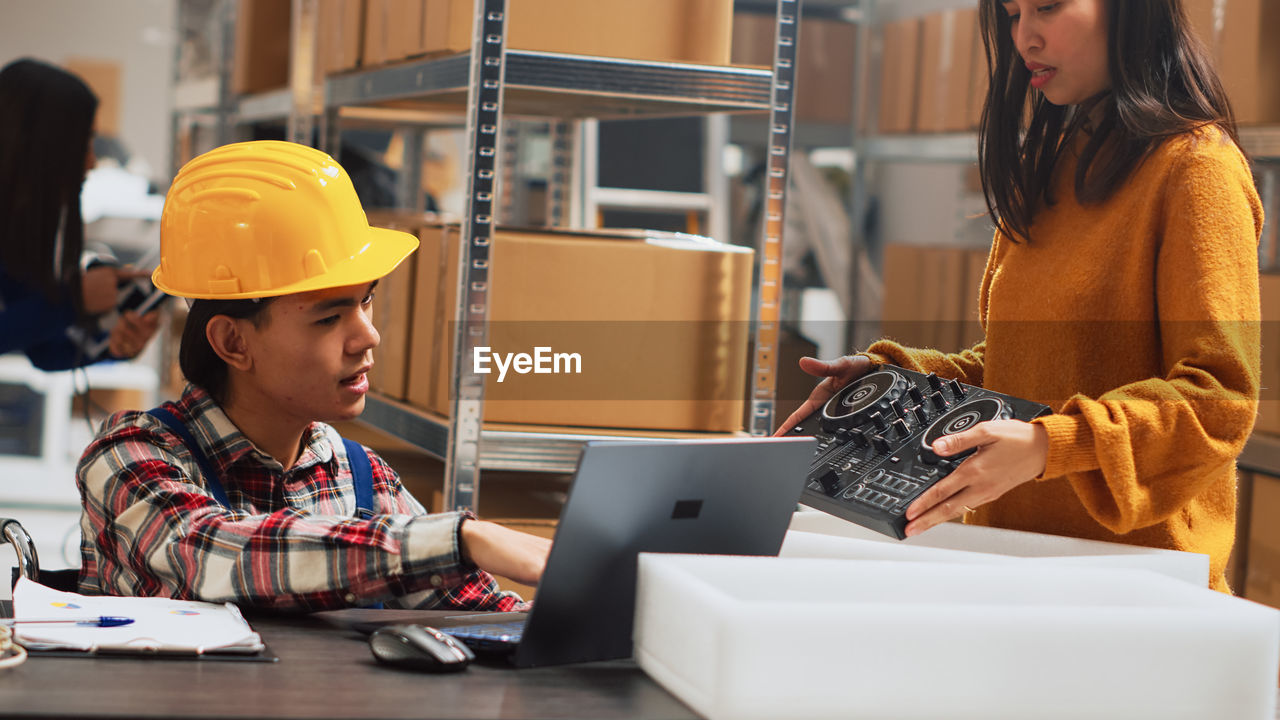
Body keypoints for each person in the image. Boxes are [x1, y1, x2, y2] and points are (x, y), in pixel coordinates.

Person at [778, 0, 1261, 593]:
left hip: (1137, 591)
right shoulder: (1052, 164)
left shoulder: (1196, 169)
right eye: (1011, 14)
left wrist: (1048, 445)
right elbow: (1022, 363)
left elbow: (1220, 398)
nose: (1024, 37)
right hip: (1013, 566)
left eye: (1048, 7)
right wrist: (897, 381)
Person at [76, 140, 551, 611]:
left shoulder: (366, 481)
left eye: (365, 301)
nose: (368, 337)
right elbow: (218, 557)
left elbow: (483, 614)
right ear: (233, 343)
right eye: (328, 318)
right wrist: (457, 539)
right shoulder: (130, 457)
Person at [0, 58, 159, 368]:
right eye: (83, 143)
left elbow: (45, 351)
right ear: (40, 147)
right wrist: (74, 301)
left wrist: (114, 344)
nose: (92, 162)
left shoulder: (17, 229)